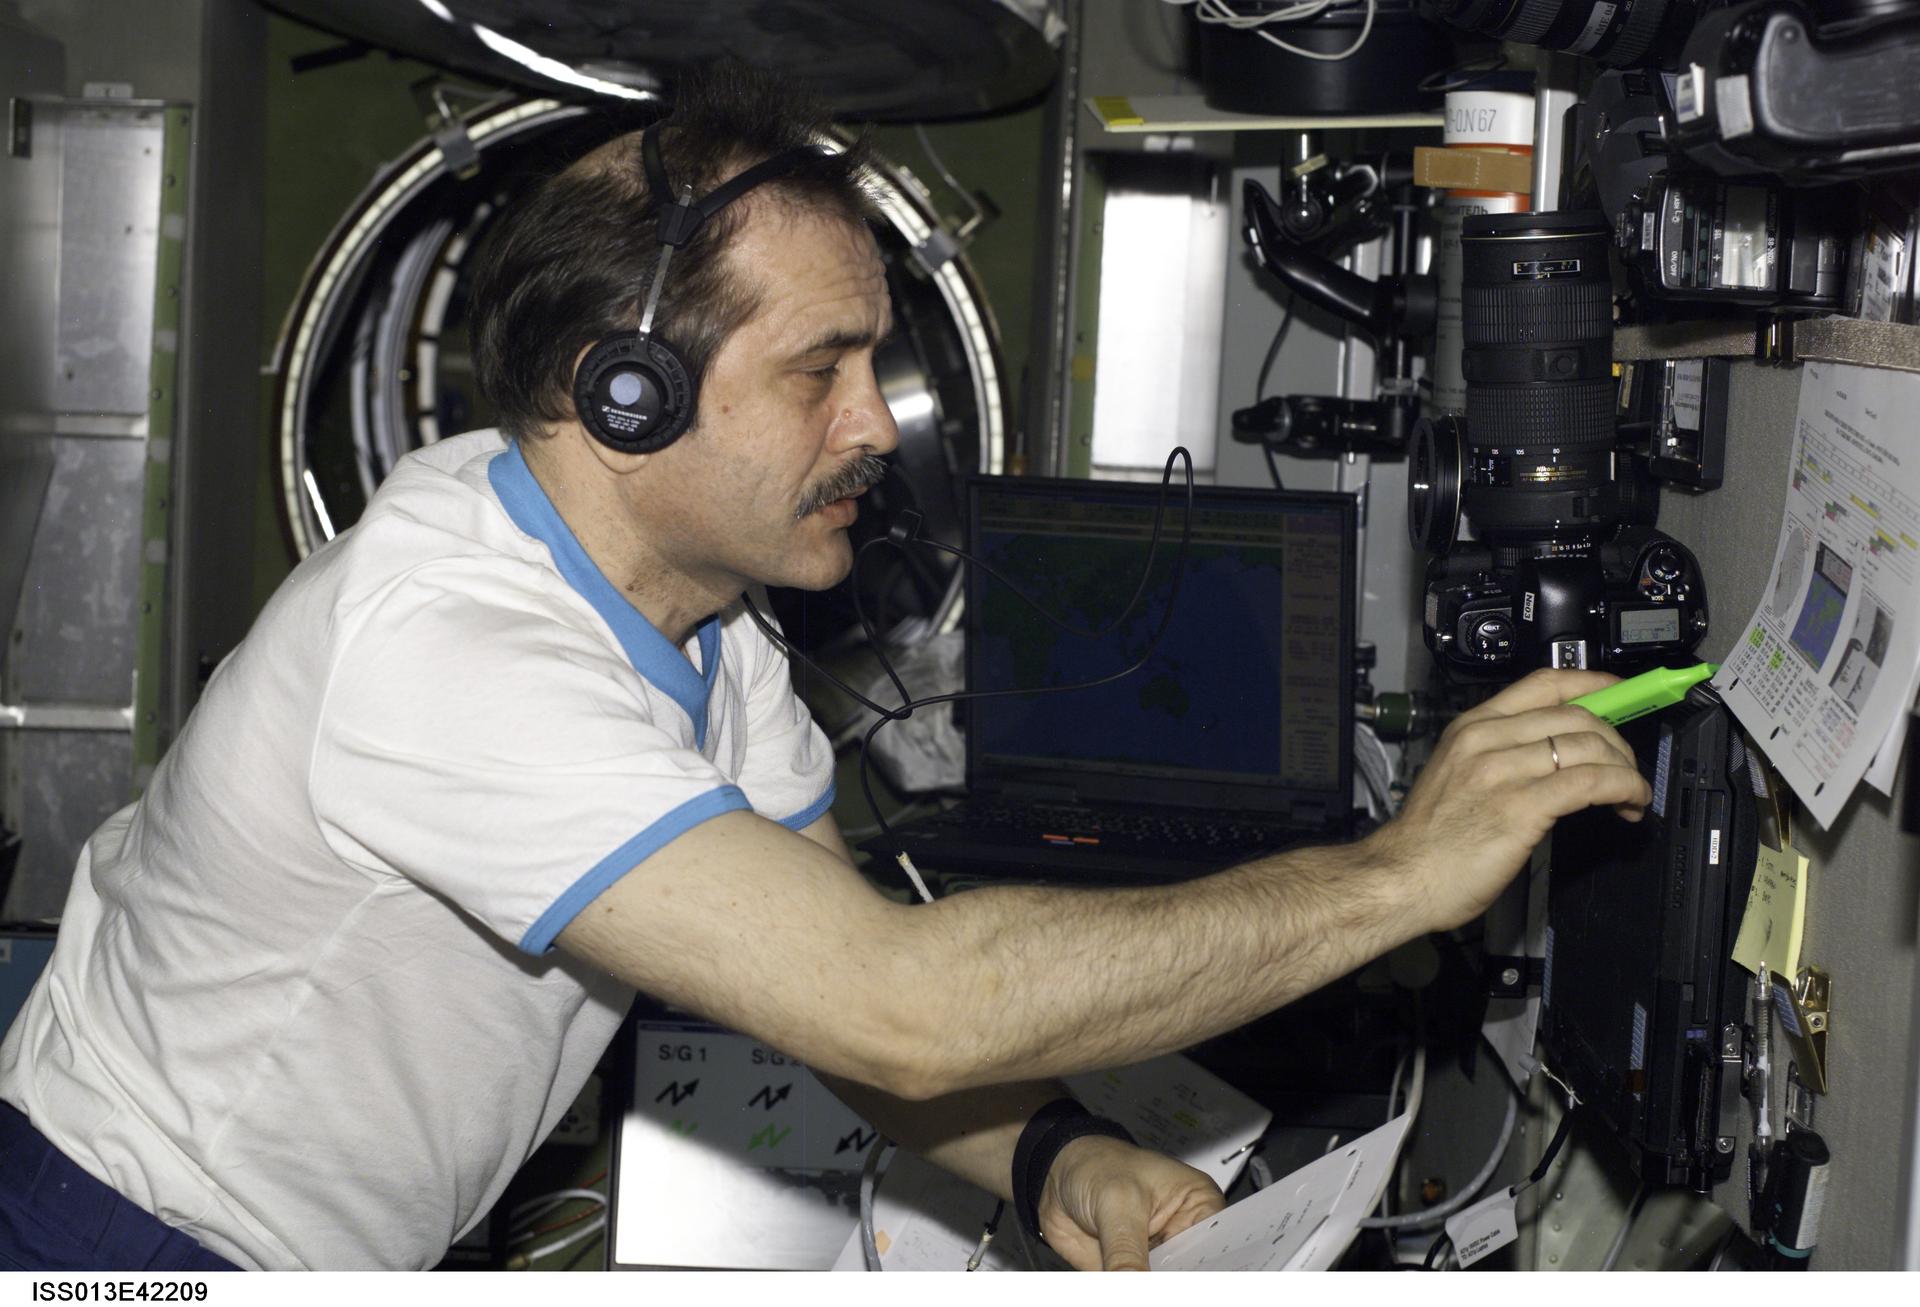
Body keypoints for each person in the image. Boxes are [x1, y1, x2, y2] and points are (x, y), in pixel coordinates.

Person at [0, 64, 1650, 1272]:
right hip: (122, 1238)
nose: (874, 422)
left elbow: (833, 996)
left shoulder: (708, 628)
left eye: (878, 358)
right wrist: (1399, 875)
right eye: (821, 370)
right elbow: (905, 1007)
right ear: (628, 395)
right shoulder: (446, 645)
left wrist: (1055, 1160)